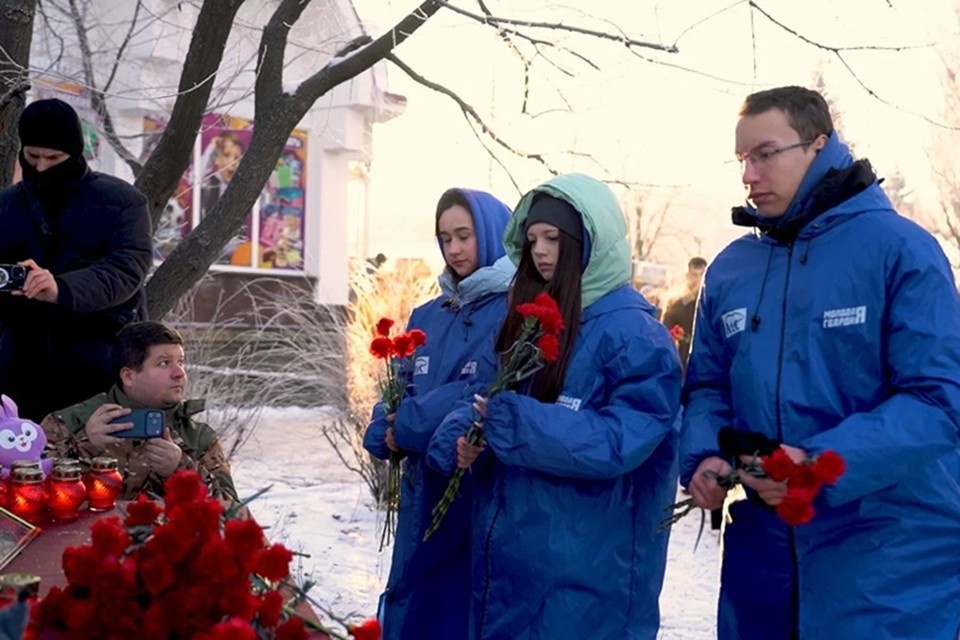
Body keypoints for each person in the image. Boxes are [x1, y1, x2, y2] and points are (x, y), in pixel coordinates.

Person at [680, 85, 960, 640]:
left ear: (818, 145)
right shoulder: (731, 269)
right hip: (762, 561)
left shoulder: (901, 250)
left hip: (887, 558)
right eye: (741, 159)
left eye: (765, 154)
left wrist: (818, 465)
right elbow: (709, 384)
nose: (748, 175)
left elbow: (938, 402)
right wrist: (705, 453)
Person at [427, 174, 682, 640]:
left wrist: (515, 423)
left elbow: (621, 440)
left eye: (553, 238)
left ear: (591, 240)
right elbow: (484, 397)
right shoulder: (529, 316)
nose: (540, 251)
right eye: (530, 240)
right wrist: (461, 440)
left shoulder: (634, 334)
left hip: (585, 578)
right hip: (507, 566)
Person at [363, 188, 513, 640]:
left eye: (464, 236)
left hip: (474, 484)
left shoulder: (512, 310)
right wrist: (382, 423)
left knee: (460, 605)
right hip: (418, 487)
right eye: (445, 238)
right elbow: (401, 382)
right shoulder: (429, 312)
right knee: (411, 595)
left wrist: (409, 423)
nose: (454, 249)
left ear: (491, 234)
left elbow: (485, 390)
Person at [0, 98, 152, 422]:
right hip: (19, 364)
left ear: (74, 153)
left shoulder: (122, 201)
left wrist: (62, 288)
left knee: (95, 468)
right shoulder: (6, 205)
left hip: (98, 361)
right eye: (32, 156)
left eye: (53, 157)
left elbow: (126, 269)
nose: (40, 167)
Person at [41, 321, 239, 504]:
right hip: (83, 539)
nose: (179, 373)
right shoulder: (72, 421)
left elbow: (233, 517)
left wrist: (180, 469)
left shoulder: (198, 438)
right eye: (164, 363)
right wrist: (84, 445)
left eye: (181, 361)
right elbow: (26, 489)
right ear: (128, 376)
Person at [661, 256, 707, 372]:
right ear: (688, 276)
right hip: (682, 362)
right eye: (695, 275)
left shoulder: (710, 302)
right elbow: (664, 334)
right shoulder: (678, 302)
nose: (699, 279)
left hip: (706, 363)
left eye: (702, 275)